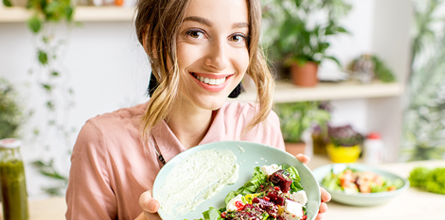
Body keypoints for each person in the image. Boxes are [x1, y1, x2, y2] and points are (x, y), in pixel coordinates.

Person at [65, 0, 331, 219]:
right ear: (150, 39)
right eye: (196, 33)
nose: (219, 59)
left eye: (237, 37)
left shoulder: (259, 127)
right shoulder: (102, 142)